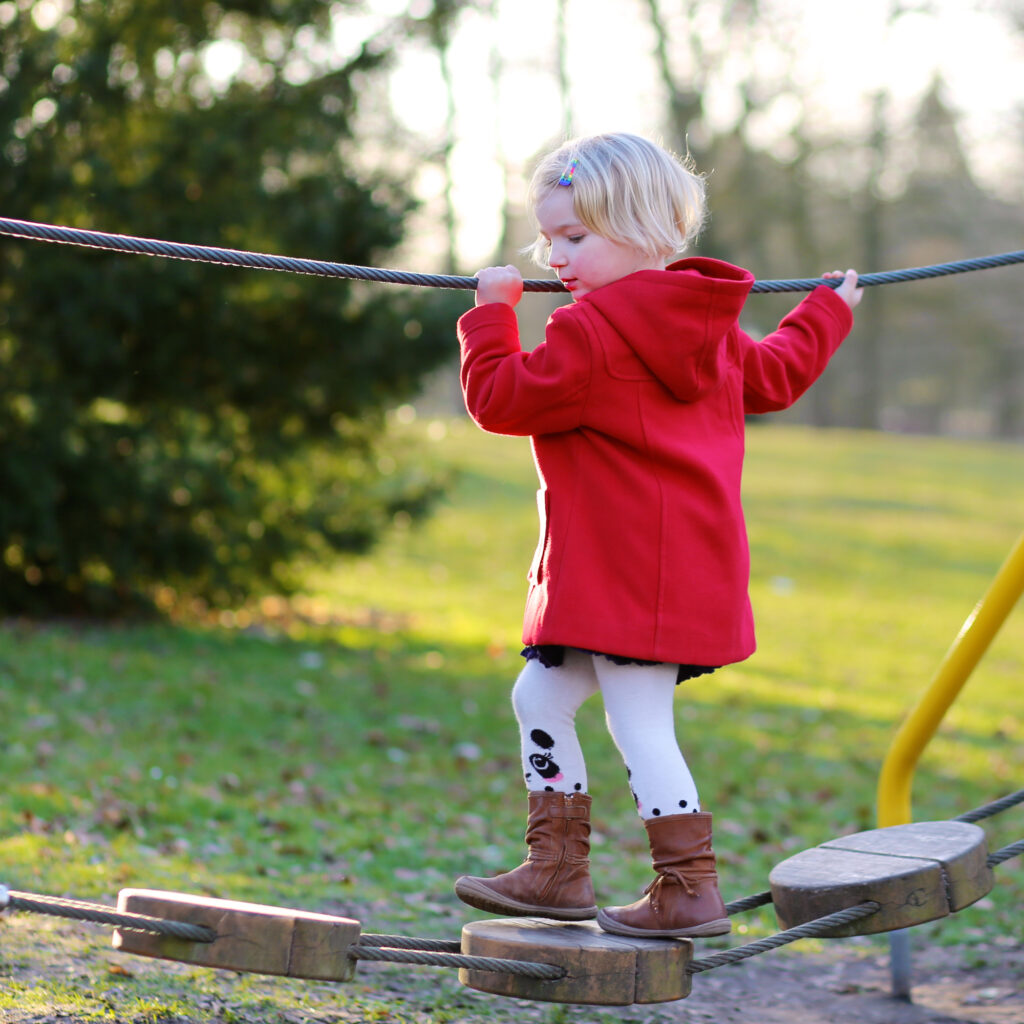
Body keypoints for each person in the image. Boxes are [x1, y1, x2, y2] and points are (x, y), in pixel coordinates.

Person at [453, 132, 862, 938]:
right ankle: (556, 871)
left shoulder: (591, 333)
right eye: (549, 239)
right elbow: (775, 373)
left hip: (629, 571)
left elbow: (501, 398)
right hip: (657, 567)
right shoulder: (704, 326)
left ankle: (688, 890)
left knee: (638, 720)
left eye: (575, 237)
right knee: (539, 694)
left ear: (646, 230)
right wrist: (825, 313)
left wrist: (491, 315)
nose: (556, 257)